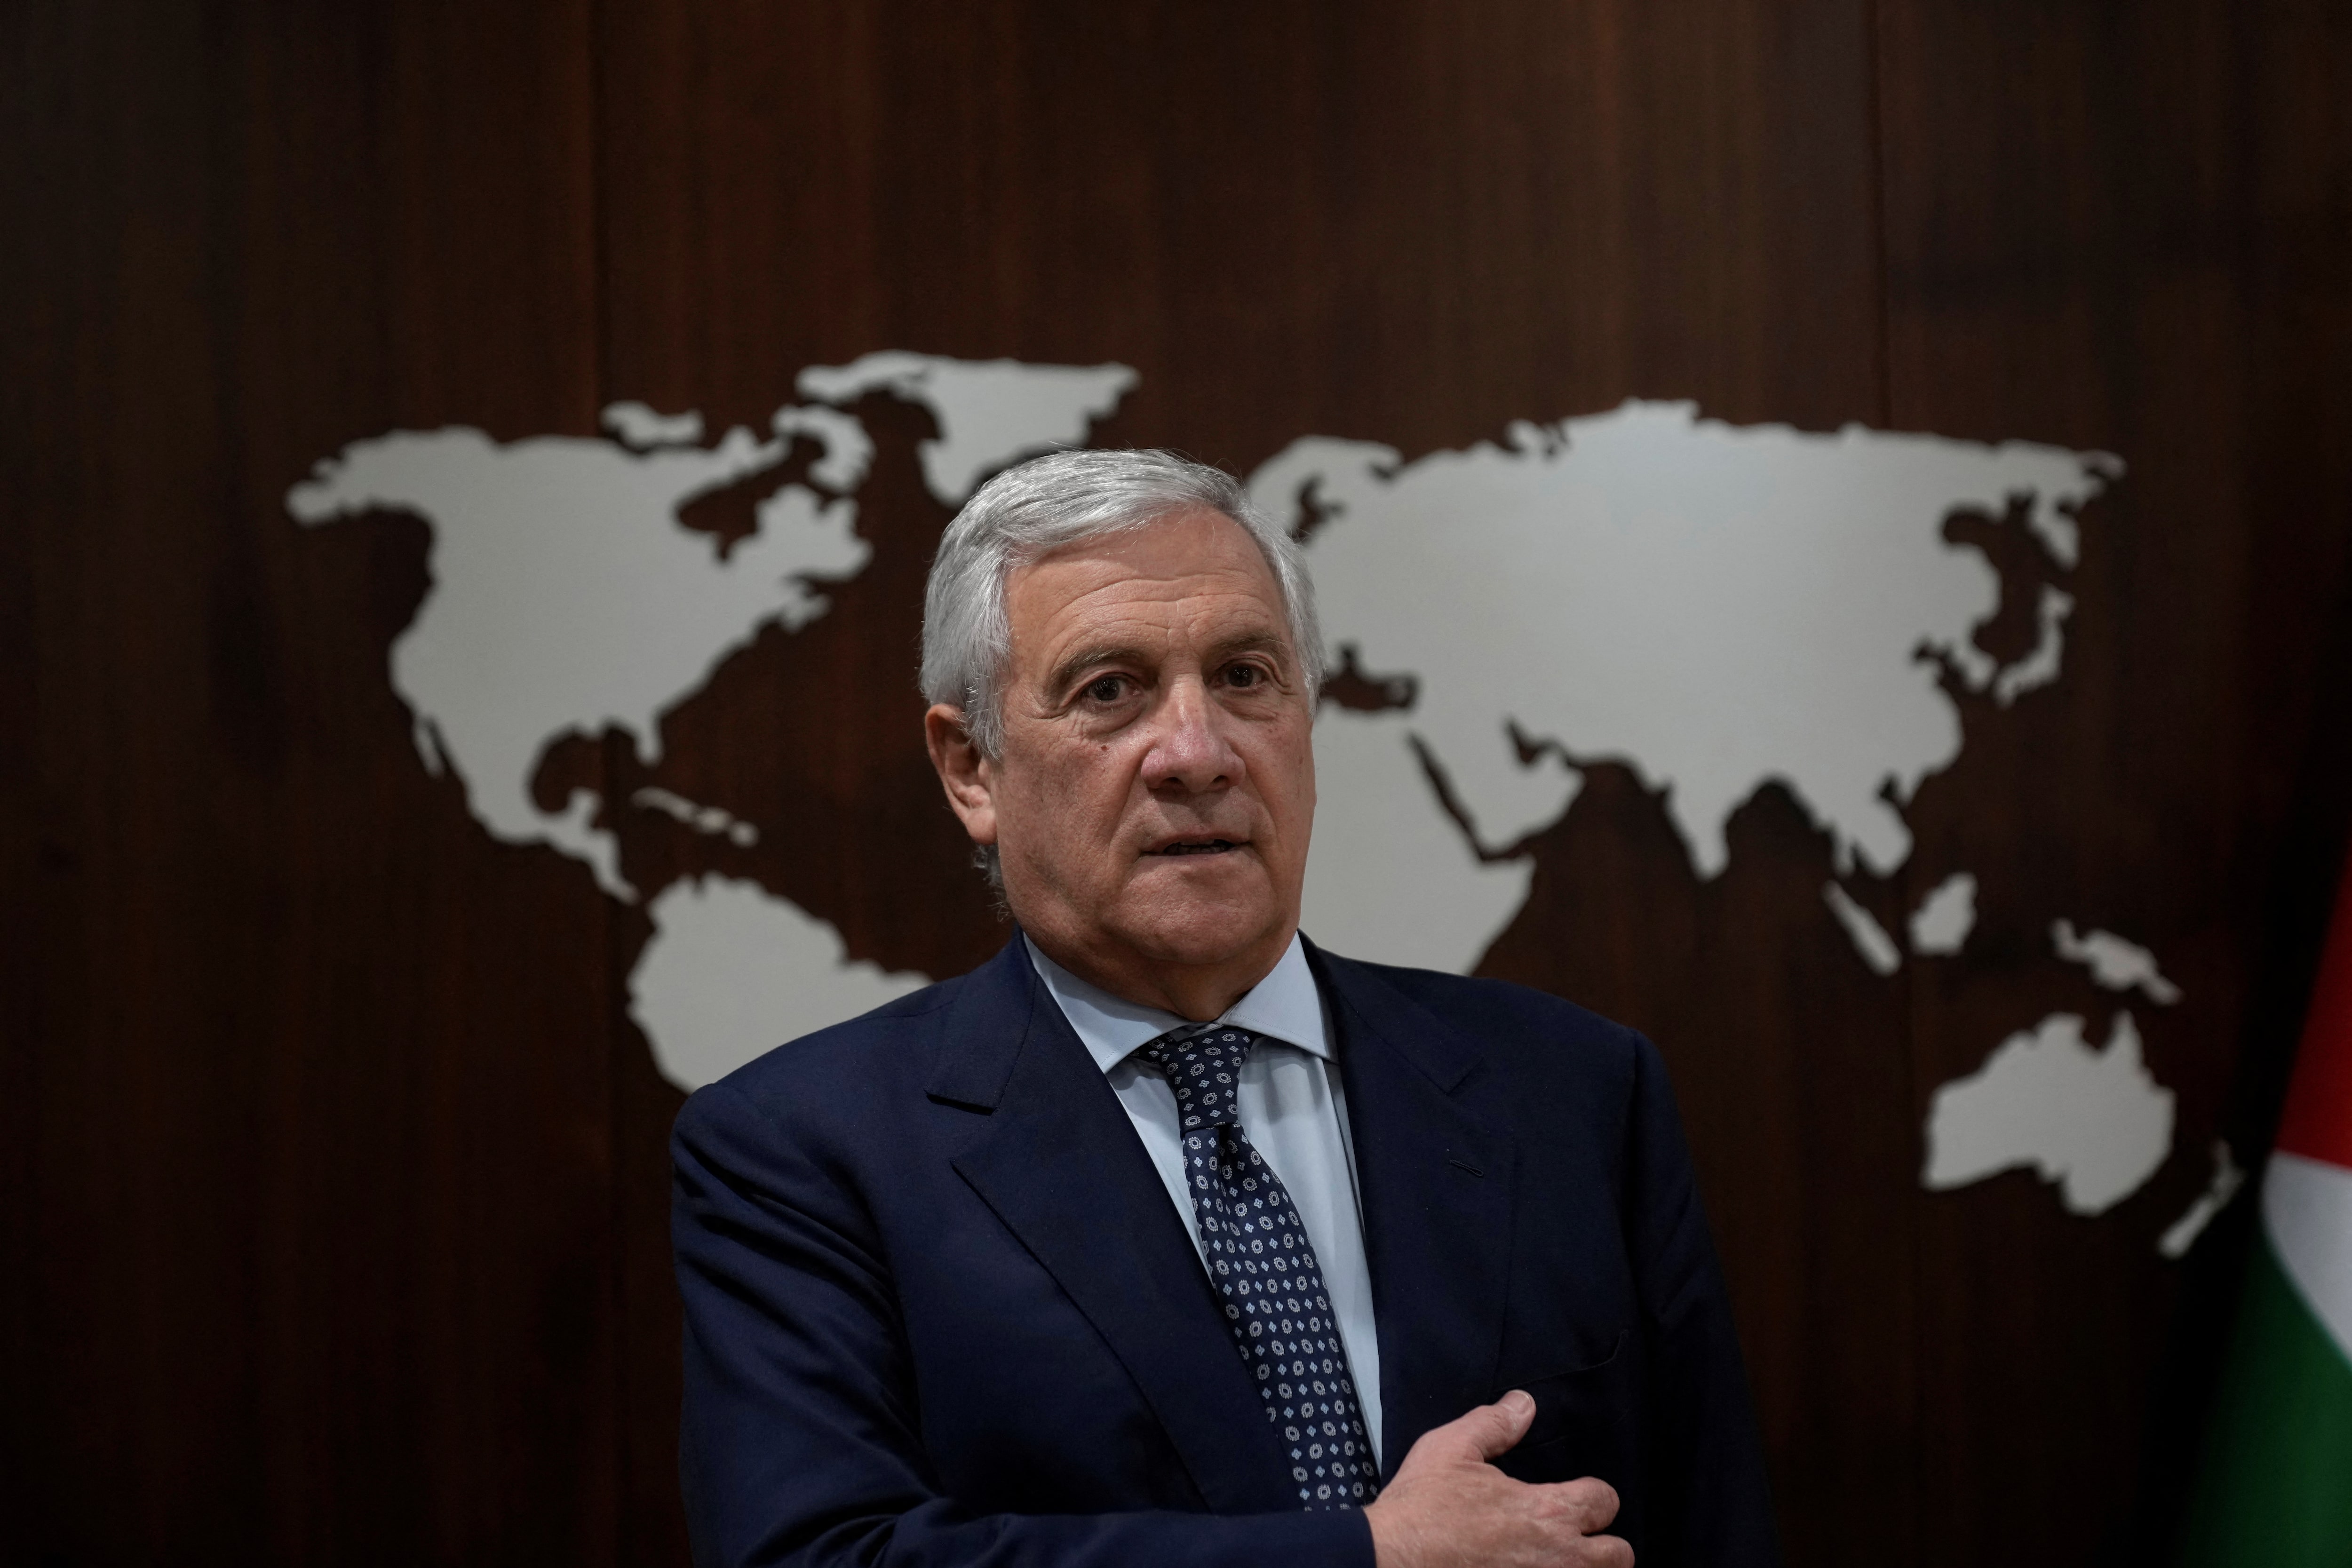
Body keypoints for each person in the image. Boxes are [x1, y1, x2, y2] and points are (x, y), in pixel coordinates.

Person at [671, 448, 1779, 1568]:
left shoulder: (1575, 1090)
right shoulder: (804, 1151)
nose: (1198, 754)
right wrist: (1365, 1555)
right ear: (971, 767)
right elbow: (818, 1554)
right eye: (1110, 689)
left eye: (1246, 676)